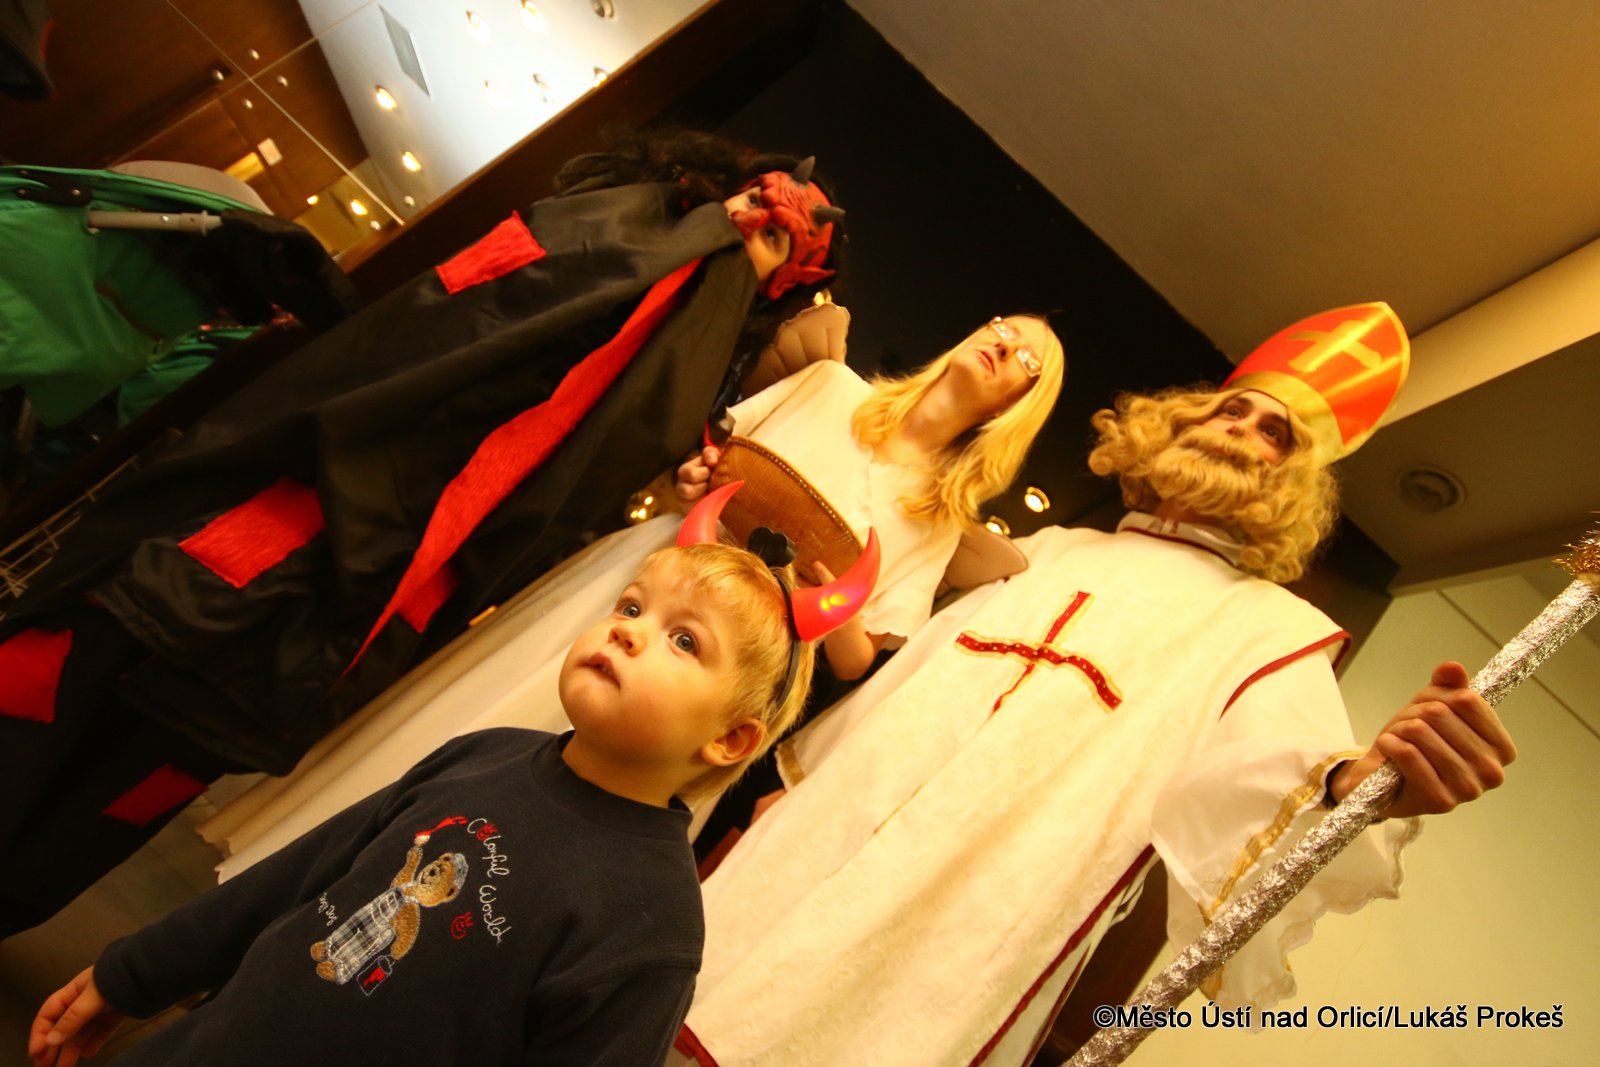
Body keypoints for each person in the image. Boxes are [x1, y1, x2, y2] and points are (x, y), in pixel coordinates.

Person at [0, 129, 844, 935]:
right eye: (755, 201)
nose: (751, 223)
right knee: (69, 672)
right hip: (279, 524)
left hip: (350, 596)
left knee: (140, 767)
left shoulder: (687, 346)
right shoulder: (623, 235)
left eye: (778, 236)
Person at [673, 303, 1519, 1067]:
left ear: (1290, 485)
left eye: (1275, 434)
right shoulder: (1048, 551)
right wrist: (804, 780)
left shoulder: (1271, 630)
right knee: (663, 1000)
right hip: (824, 830)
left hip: (975, 908)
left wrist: (1363, 785)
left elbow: (1285, 778)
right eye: (1232, 408)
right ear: (1176, 425)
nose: (1242, 429)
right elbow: (912, 676)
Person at [24, 479, 877, 1067]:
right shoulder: (487, 753)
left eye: (684, 640)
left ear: (731, 738)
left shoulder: (649, 930)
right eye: (632, 605)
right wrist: (133, 974)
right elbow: (296, 875)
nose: (628, 629)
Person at [203, 312, 1064, 875]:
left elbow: (852, 658)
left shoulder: (938, 521)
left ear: (1023, 400)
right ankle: (316, 865)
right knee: (496, 707)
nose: (1000, 341)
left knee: (555, 823)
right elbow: (705, 465)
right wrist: (694, 477)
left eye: (1024, 353)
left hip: (723, 673)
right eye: (1000, 324)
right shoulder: (829, 387)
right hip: (643, 583)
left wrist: (828, 592)